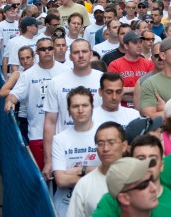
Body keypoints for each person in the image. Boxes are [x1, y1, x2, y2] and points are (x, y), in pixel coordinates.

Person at [4, 37, 71, 169]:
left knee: (61, 174)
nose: (47, 51)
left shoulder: (65, 71)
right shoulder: (28, 75)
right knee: (42, 175)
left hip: (62, 133)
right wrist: (9, 102)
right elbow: (14, 94)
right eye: (43, 49)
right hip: (37, 133)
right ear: (37, 52)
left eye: (50, 48)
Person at [43, 39, 104, 181]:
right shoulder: (56, 82)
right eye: (76, 52)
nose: (80, 56)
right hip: (66, 150)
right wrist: (48, 160)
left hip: (96, 146)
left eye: (84, 52)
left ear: (90, 54)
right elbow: (50, 122)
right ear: (70, 56)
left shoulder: (102, 79)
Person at [51, 87, 100, 217]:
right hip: (66, 207)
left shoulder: (104, 134)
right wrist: (97, 176)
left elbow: (112, 171)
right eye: (75, 106)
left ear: (92, 107)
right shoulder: (59, 139)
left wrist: (81, 170)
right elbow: (61, 180)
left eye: (85, 105)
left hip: (98, 206)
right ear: (68, 110)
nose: (80, 110)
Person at [66, 122, 128, 217]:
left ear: (124, 146)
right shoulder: (84, 184)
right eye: (100, 143)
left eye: (111, 143)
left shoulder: (138, 179)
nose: (106, 148)